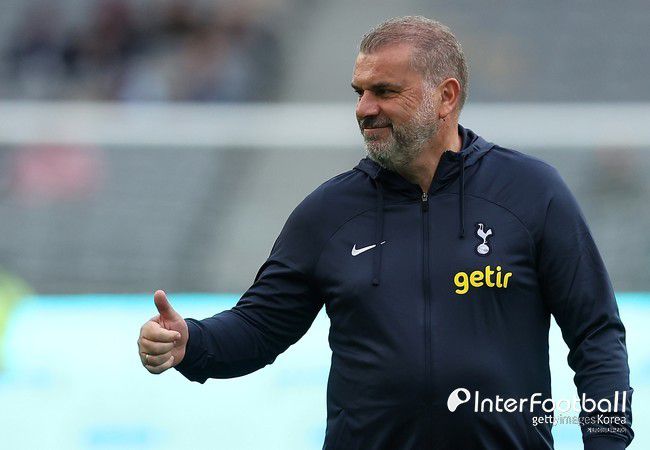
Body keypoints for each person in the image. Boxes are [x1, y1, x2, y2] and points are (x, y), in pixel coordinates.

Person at [137, 16, 633, 449]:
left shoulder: (532, 192)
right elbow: (259, 328)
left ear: (445, 97)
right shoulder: (328, 212)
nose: (364, 108)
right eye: (359, 92)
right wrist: (190, 341)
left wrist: (607, 442)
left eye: (385, 92)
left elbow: (596, 335)